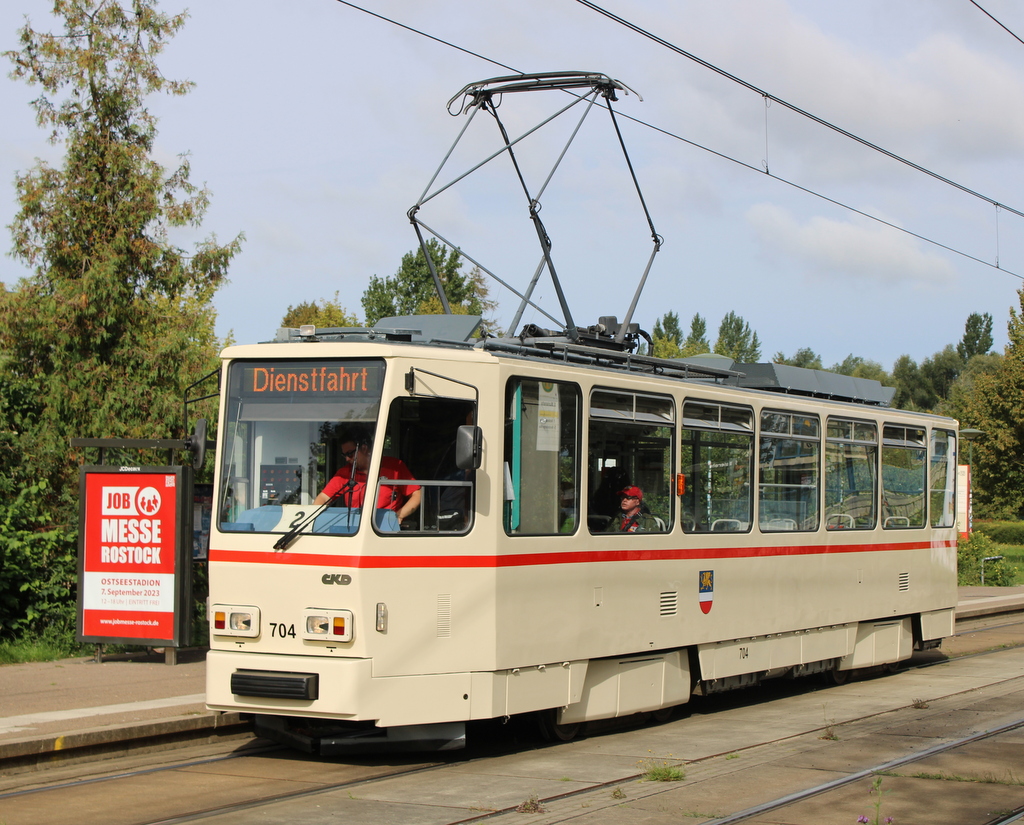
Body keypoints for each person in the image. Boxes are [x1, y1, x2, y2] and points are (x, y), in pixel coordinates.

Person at [314, 429, 422, 527]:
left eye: (350, 454)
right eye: (344, 455)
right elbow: (323, 498)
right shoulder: (344, 473)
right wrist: (315, 519)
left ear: (364, 448)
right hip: (354, 528)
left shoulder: (395, 467)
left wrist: (399, 516)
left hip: (385, 528)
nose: (347, 459)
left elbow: (417, 494)